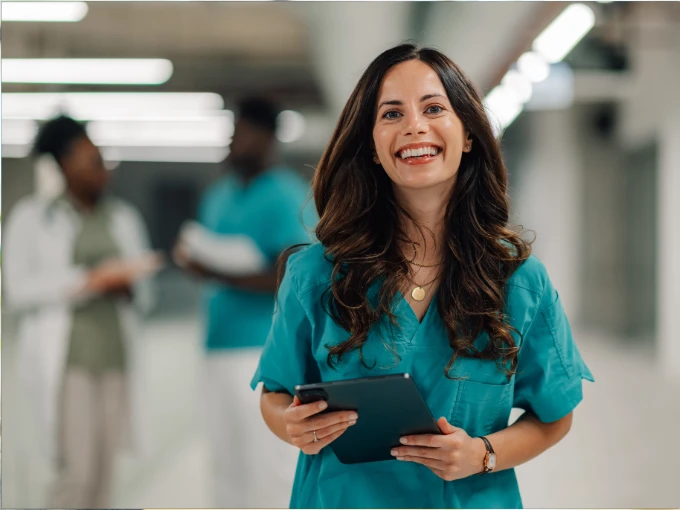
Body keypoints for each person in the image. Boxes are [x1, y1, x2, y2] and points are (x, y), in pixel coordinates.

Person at [250, 43, 594, 509]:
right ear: (372, 146)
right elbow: (275, 394)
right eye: (391, 114)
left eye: (434, 108)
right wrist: (292, 426)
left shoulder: (519, 281)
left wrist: (483, 454)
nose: (414, 125)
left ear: (468, 134)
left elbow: (555, 416)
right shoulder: (315, 274)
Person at [3, 115, 160, 508]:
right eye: (89, 160)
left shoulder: (121, 218)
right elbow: (18, 290)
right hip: (69, 362)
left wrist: (127, 287)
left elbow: (147, 295)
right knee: (77, 473)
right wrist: (90, 279)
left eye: (100, 159)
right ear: (63, 165)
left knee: (105, 475)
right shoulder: (31, 218)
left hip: (116, 359)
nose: (99, 169)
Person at [174, 97, 317, 508]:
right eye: (232, 132)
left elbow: (293, 277)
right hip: (216, 346)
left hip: (262, 351)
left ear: (268, 138)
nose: (235, 141)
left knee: (268, 466)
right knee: (225, 463)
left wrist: (215, 271)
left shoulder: (288, 197)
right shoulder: (219, 195)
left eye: (244, 133)